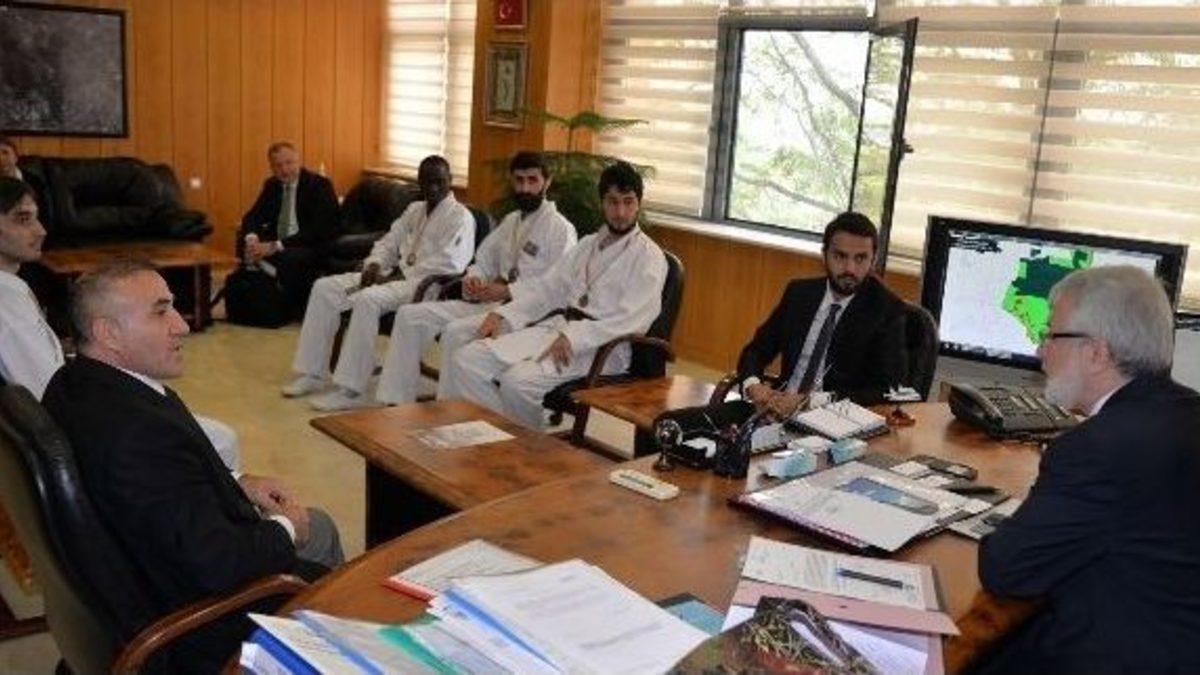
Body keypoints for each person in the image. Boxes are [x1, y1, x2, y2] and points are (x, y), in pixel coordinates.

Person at [42, 260, 344, 673]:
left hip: (150, 565)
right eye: (160, 311)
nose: (182, 326)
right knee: (329, 550)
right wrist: (287, 527)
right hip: (201, 623)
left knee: (320, 525)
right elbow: (217, 566)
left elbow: (159, 488)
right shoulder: (137, 433)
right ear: (108, 333)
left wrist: (239, 481)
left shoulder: (72, 384)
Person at [976, 266, 1200, 674]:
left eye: (1050, 335)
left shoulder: (1097, 448)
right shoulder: (1186, 412)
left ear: (1097, 353)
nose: (1040, 351)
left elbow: (1006, 569)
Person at [0, 177, 242, 469]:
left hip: (78, 409)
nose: (41, 230)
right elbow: (49, 394)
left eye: (36, 218)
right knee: (222, 439)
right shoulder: (9, 310)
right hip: (84, 435)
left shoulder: (12, 289)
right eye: (22, 219)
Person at [442, 161, 667, 429]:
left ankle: (521, 446)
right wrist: (503, 313)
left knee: (517, 383)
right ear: (602, 203)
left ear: (639, 204)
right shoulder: (587, 245)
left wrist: (574, 337)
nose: (620, 212)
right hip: (557, 328)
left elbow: (631, 321)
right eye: (613, 202)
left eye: (628, 202)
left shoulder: (649, 257)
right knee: (467, 360)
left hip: (600, 347)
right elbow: (547, 289)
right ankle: (508, 436)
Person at [369, 151, 577, 408]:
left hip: (528, 314)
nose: (525, 188)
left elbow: (556, 288)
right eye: (519, 180)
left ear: (547, 181)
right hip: (489, 302)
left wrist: (507, 292)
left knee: (455, 332)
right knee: (410, 315)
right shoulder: (511, 221)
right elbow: (482, 262)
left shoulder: (560, 230)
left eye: (532, 180)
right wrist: (474, 279)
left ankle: (451, 410)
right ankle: (396, 402)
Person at [284, 155, 475, 409]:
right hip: (392, 277)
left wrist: (395, 278)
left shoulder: (460, 217)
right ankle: (312, 373)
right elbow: (389, 242)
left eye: (439, 181)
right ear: (419, 182)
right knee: (325, 288)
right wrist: (374, 264)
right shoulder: (414, 210)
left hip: (425, 286)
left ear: (450, 180)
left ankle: (351, 389)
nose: (433, 187)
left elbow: (450, 264)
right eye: (427, 181)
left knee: (367, 299)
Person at [737, 211, 908, 414]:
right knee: (701, 422)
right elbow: (755, 351)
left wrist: (810, 402)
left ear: (873, 260)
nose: (850, 269)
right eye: (840, 256)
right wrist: (753, 386)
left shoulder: (887, 310)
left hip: (833, 419)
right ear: (824, 254)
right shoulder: (799, 293)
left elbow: (890, 390)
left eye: (861, 258)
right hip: (774, 408)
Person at [239, 141, 339, 317]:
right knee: (244, 243)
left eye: (289, 163)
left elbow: (319, 230)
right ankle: (260, 295)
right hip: (280, 241)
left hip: (310, 245)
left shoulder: (319, 185)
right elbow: (252, 216)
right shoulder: (272, 185)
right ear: (271, 167)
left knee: (290, 256)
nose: (284, 170)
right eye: (278, 165)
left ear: (298, 160)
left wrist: (276, 246)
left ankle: (287, 305)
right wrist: (252, 239)